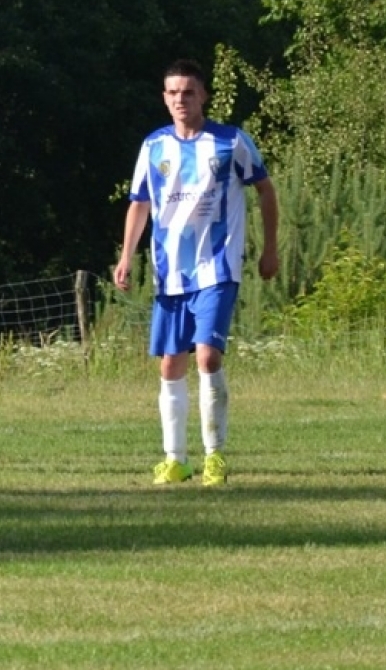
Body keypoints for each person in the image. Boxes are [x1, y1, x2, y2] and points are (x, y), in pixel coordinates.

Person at [113, 58, 280, 487]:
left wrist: (269, 248)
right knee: (170, 364)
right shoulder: (153, 147)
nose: (180, 100)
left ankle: (214, 456)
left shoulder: (231, 142)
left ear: (203, 95)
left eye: (188, 92)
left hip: (218, 266)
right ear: (164, 98)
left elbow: (264, 189)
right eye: (172, 93)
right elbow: (139, 203)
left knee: (206, 354)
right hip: (171, 273)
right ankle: (175, 459)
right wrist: (126, 256)